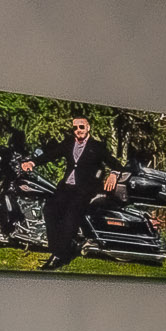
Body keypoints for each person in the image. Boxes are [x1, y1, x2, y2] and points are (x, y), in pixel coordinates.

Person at [41, 112, 122, 271]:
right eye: (75, 128)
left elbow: (115, 164)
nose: (78, 130)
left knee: (71, 216)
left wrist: (113, 174)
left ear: (88, 127)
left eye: (81, 126)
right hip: (66, 188)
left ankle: (58, 255)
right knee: (49, 210)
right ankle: (58, 248)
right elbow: (50, 155)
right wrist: (31, 162)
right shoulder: (68, 143)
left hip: (84, 190)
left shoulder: (97, 146)